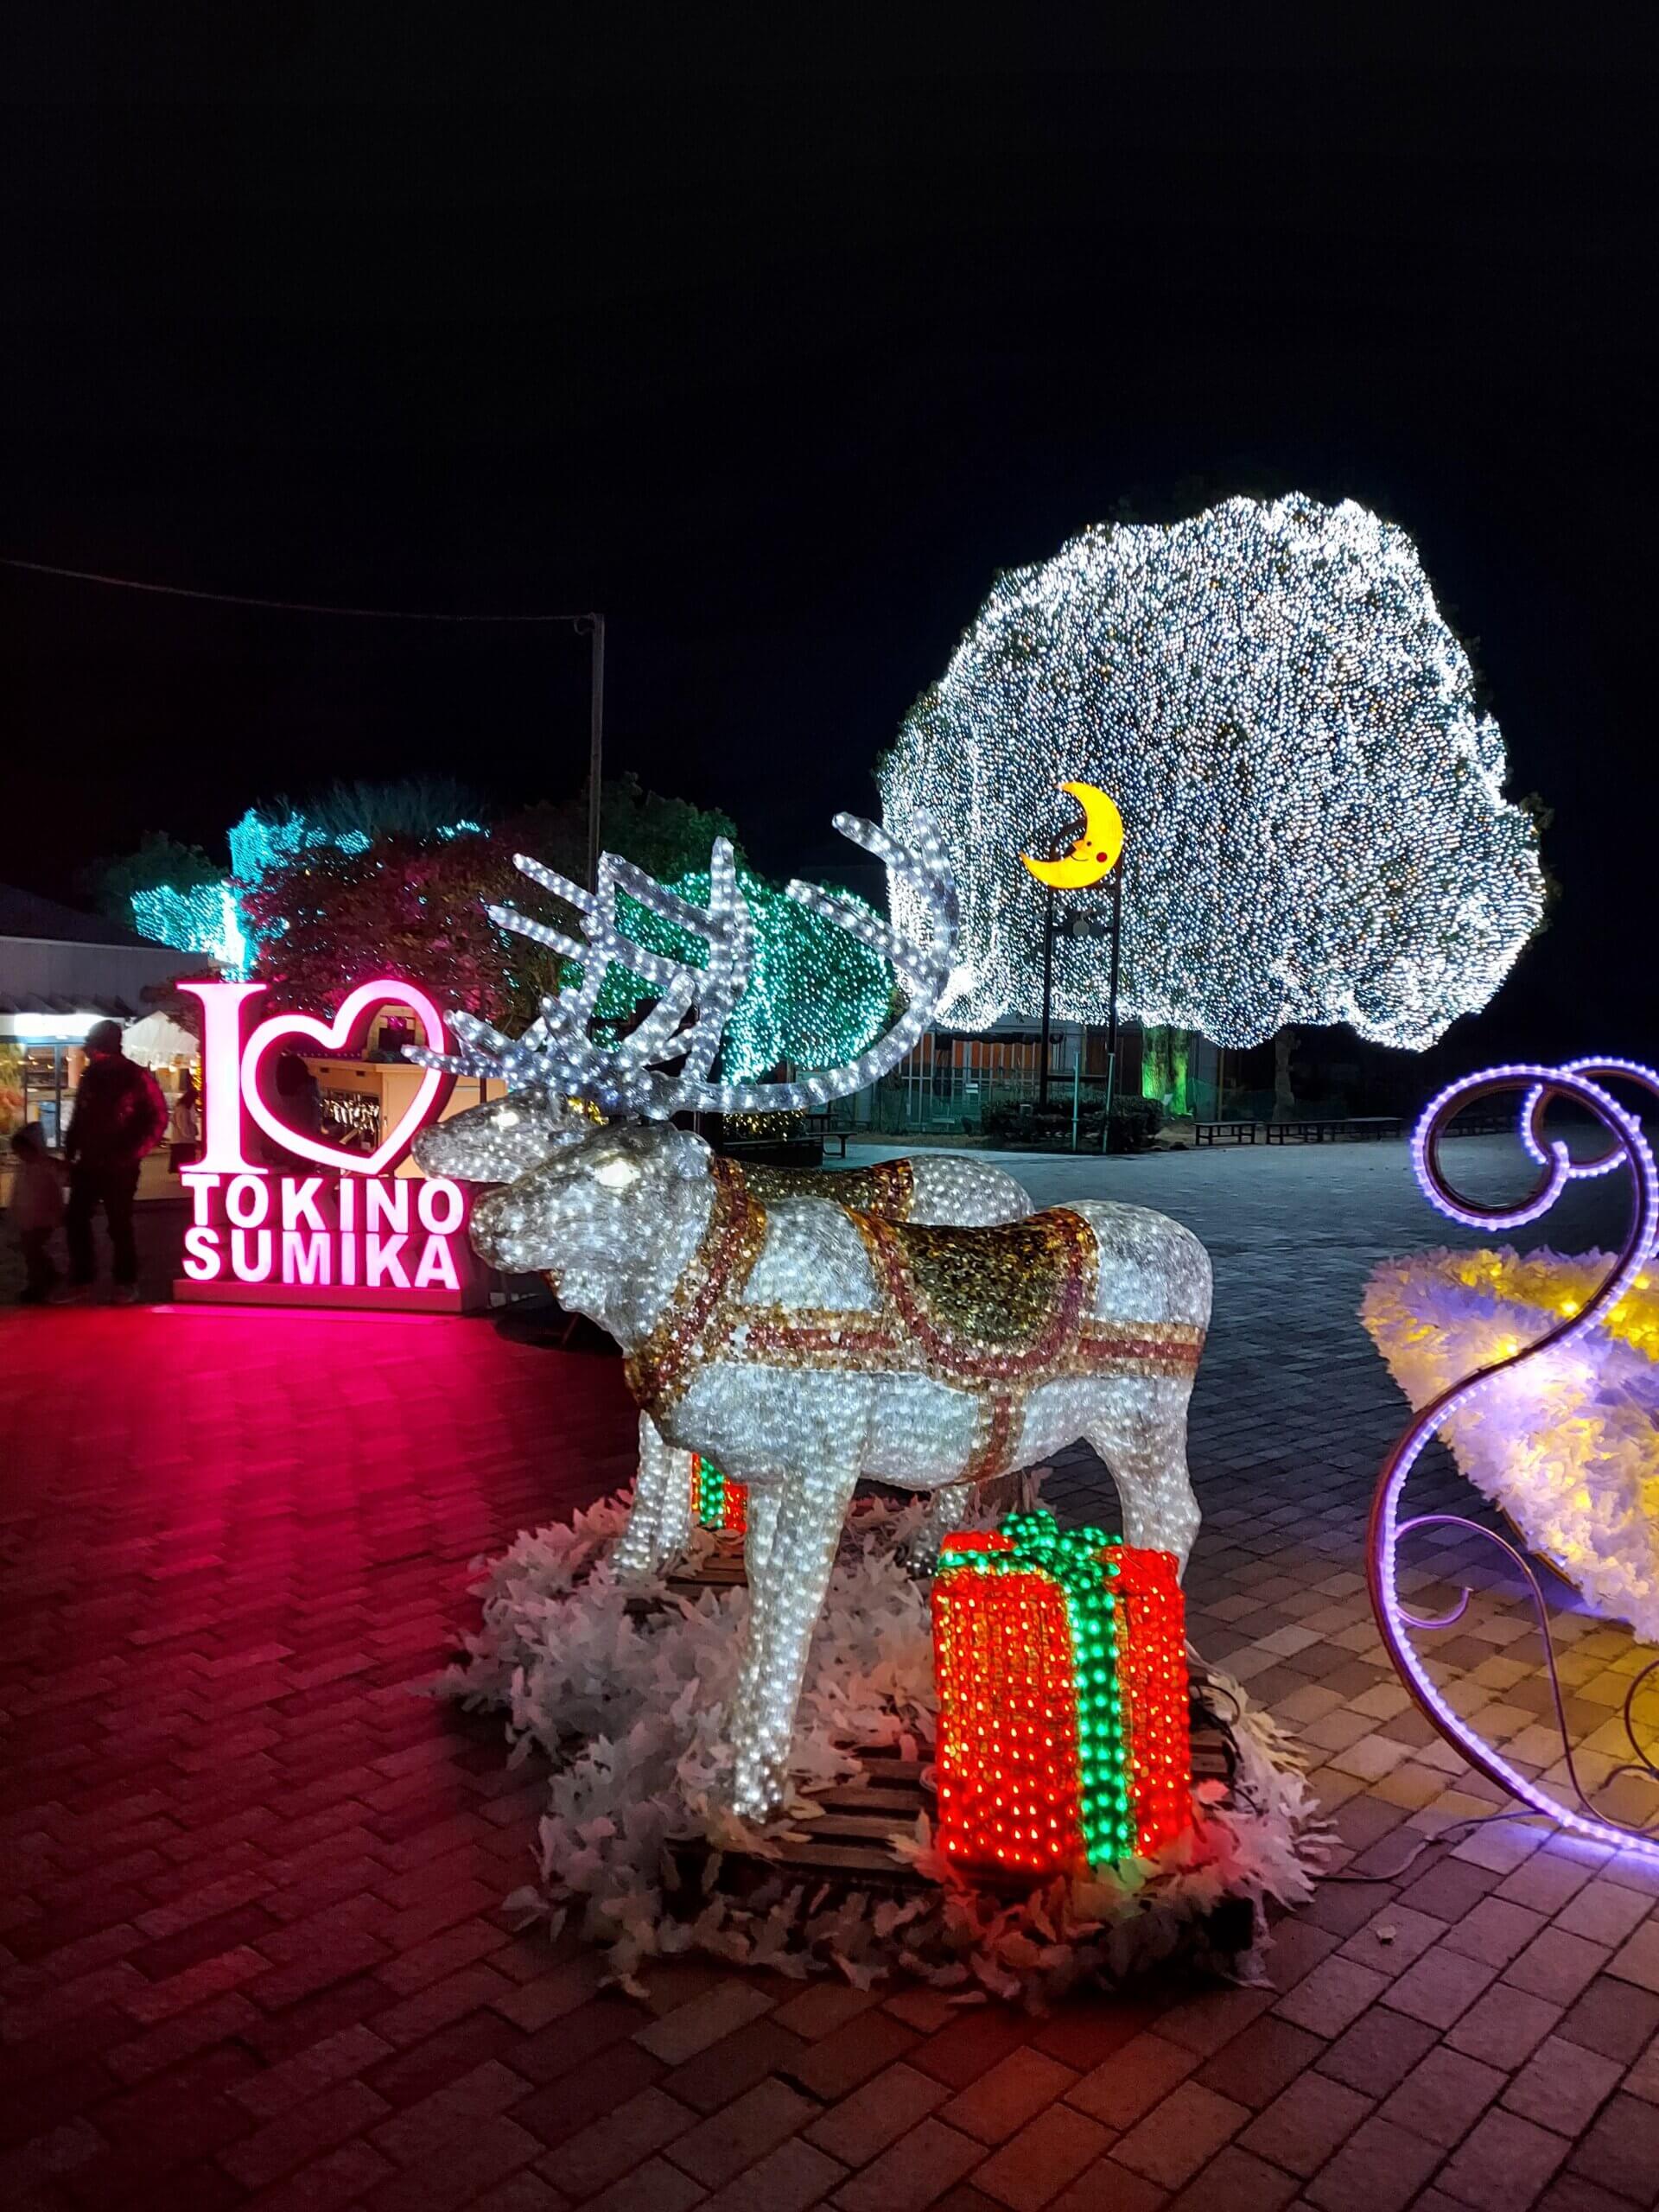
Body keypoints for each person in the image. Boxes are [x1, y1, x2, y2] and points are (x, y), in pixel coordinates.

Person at [60, 1020, 168, 1303]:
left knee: (118, 1224)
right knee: (76, 1218)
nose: (89, 1049)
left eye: (92, 1043)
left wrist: (132, 1152)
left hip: (119, 1165)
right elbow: (80, 1116)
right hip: (91, 1162)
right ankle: (84, 1277)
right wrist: (71, 1150)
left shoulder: (134, 1076)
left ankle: (124, 1280)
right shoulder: (93, 1074)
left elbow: (158, 1116)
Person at [8, 1123, 64, 1304]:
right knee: (32, 1251)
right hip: (28, 1219)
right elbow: (17, 1191)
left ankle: (37, 1285)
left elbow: (54, 1193)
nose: (21, 1155)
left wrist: (56, 1214)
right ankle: (49, 1274)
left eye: (23, 1151)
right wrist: (14, 1210)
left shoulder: (45, 1168)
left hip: (42, 1220)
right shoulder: (24, 1168)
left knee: (33, 1252)